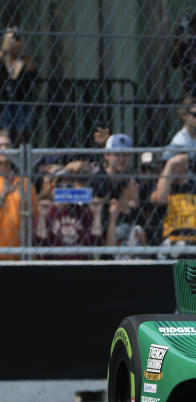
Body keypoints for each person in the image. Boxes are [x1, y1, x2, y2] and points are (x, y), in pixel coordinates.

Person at [149, 153, 196, 248]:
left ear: (184, 166)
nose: (168, 170)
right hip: (167, 247)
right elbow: (161, 199)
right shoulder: (159, 188)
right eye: (165, 166)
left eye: (174, 165)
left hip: (195, 248)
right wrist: (170, 164)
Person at [34, 161, 103, 259]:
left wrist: (97, 214)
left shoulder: (82, 211)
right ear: (52, 189)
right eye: (59, 186)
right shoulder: (47, 212)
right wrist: (42, 217)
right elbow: (41, 246)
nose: (65, 190)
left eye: (68, 186)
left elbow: (96, 242)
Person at [0, 130, 37, 259]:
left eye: (7, 146)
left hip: (20, 255)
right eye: (0, 146)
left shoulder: (24, 182)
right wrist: (2, 197)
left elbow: (35, 216)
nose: (4, 149)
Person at [0, 27, 37, 145]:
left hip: (22, 102)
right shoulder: (2, 58)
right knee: (4, 134)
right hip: (3, 102)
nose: (14, 41)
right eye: (12, 38)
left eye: (17, 38)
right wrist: (5, 48)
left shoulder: (25, 60)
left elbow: (33, 70)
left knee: (21, 136)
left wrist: (19, 51)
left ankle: (20, 161)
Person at [104, 176, 146, 254]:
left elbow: (144, 245)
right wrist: (113, 220)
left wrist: (142, 238)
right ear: (124, 189)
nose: (138, 186)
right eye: (134, 184)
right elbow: (110, 246)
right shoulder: (110, 211)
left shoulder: (136, 212)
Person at [91, 133, 135, 200]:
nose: (122, 159)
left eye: (126, 154)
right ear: (106, 155)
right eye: (117, 154)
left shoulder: (133, 180)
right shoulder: (97, 181)